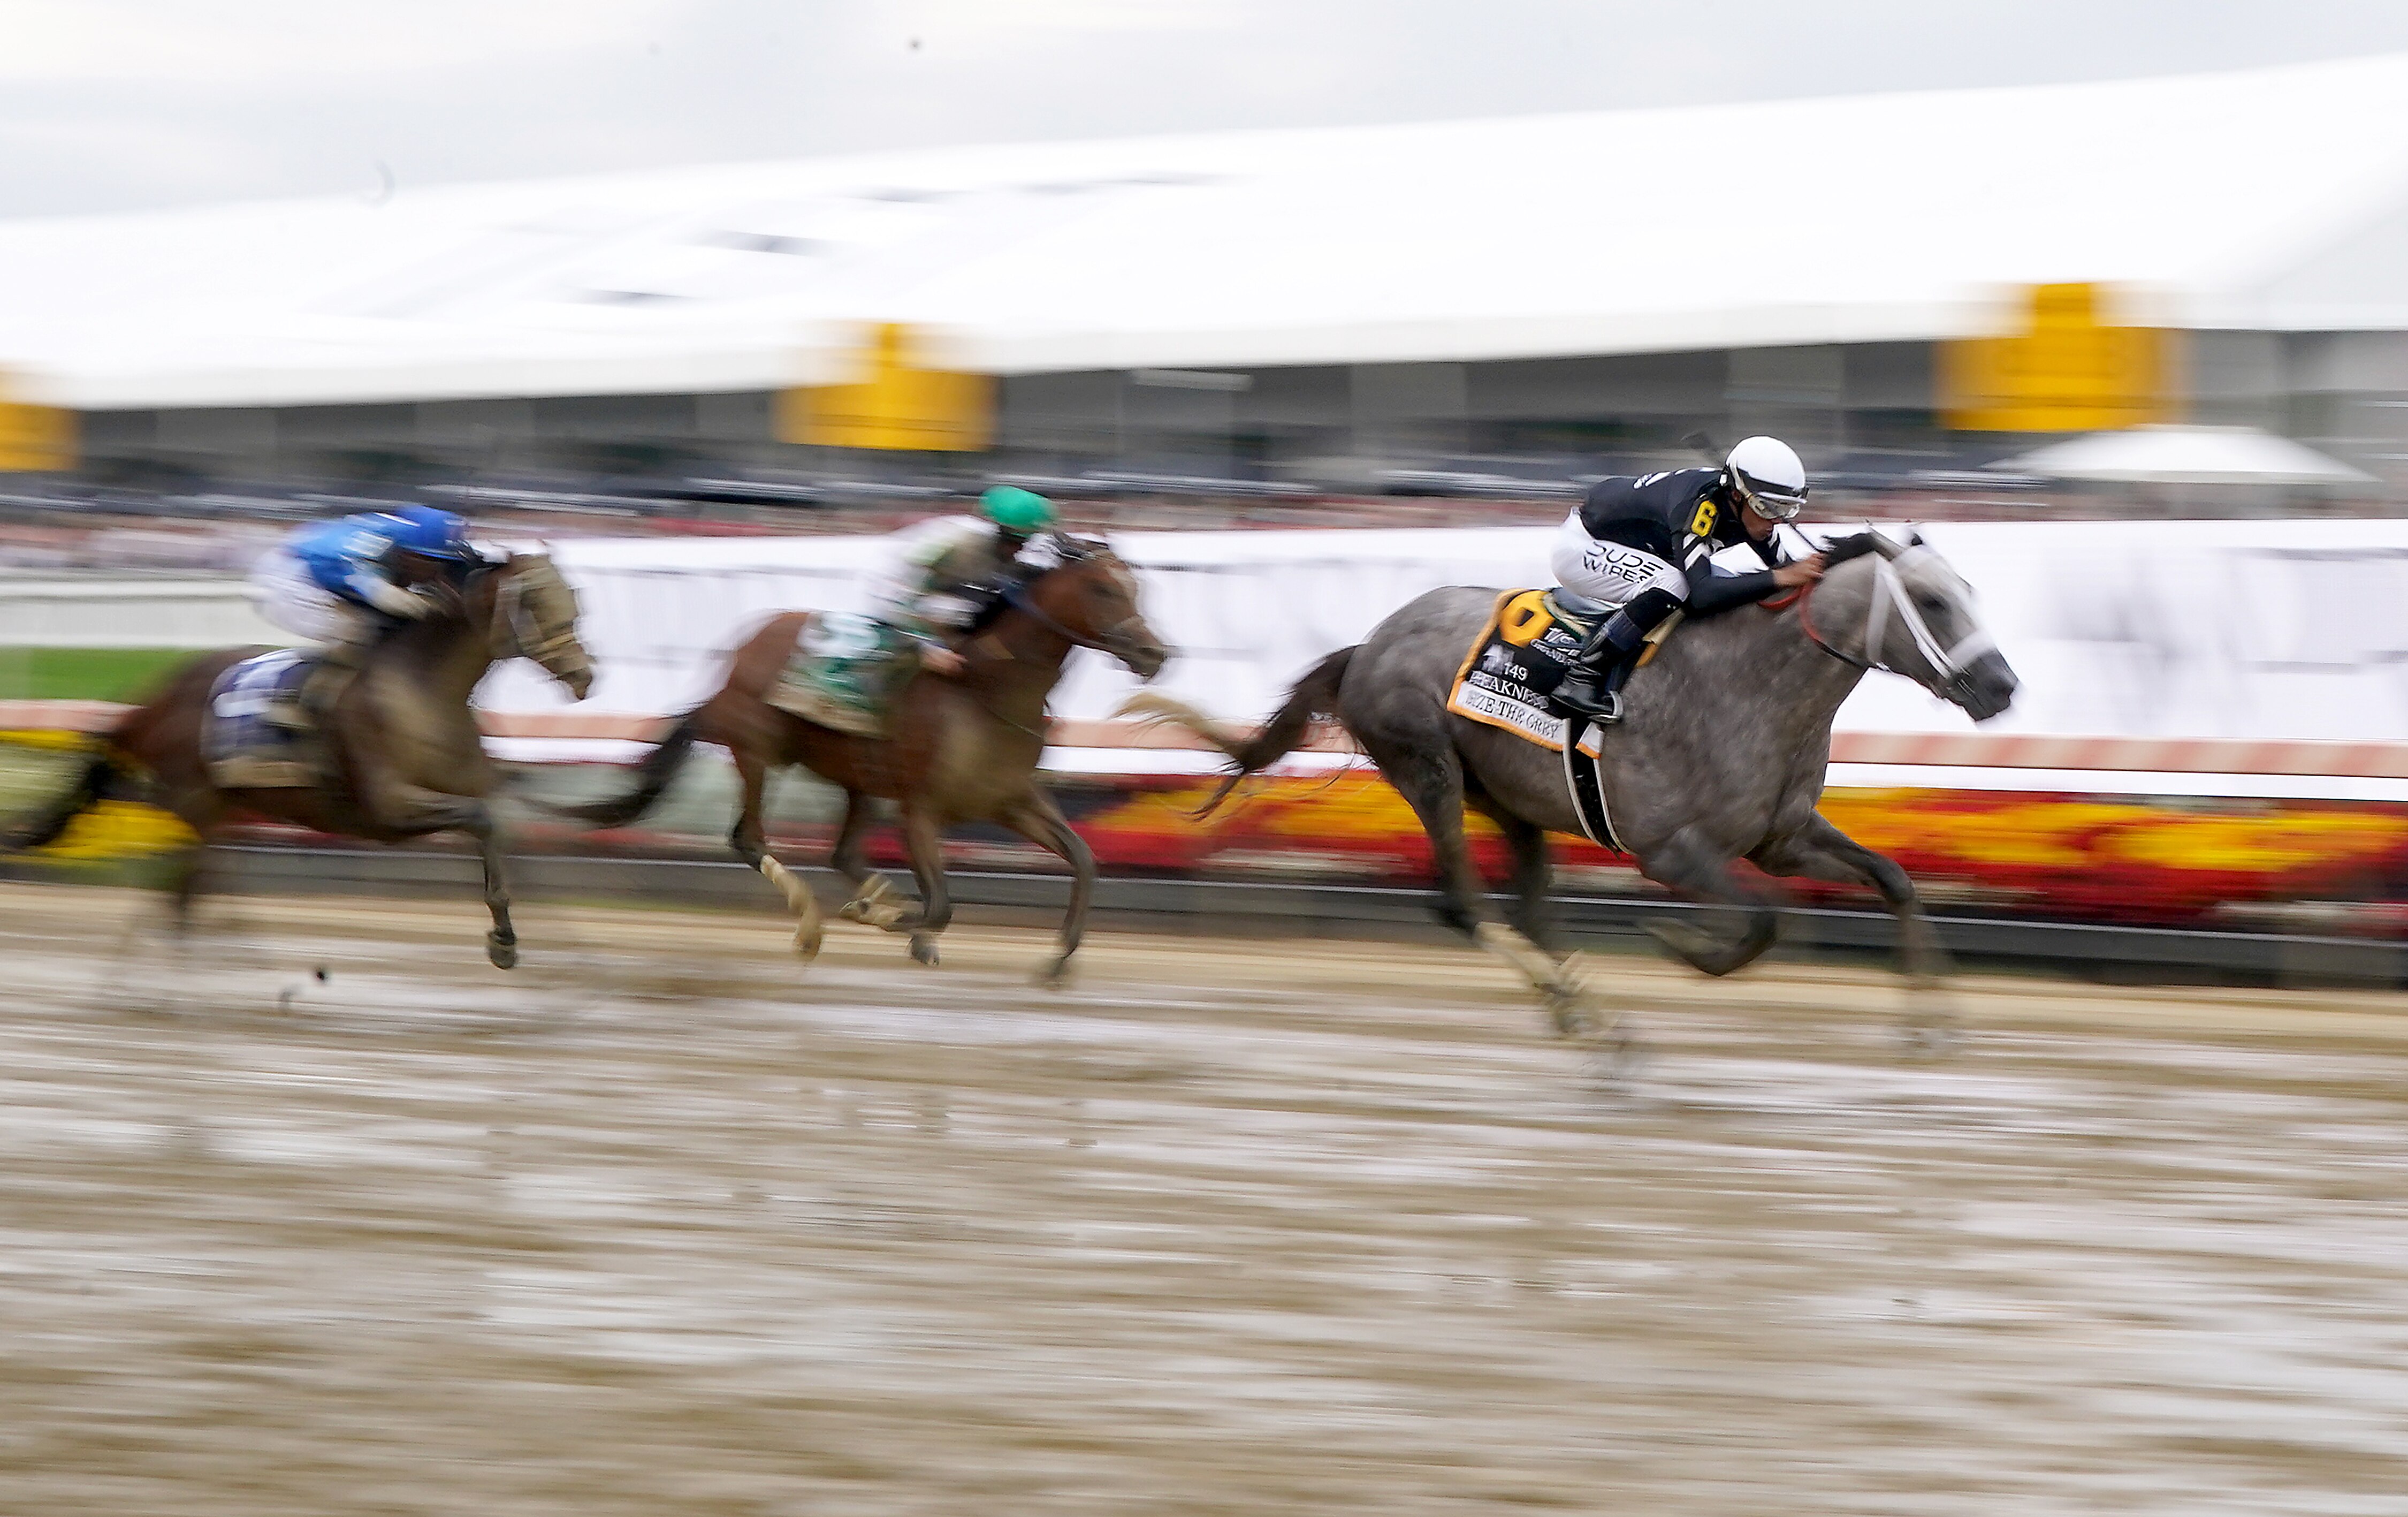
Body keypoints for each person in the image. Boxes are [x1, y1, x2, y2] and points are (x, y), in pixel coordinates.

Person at [1549, 436, 1828, 722]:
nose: (1776, 521)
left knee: (1733, 581)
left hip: (1631, 544)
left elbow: (1790, 570)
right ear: (1736, 495)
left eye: (1786, 510)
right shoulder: (1700, 507)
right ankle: (1581, 678)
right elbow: (1702, 594)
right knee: (1676, 584)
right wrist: (1782, 576)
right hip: (1582, 545)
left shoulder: (1747, 507)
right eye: (1767, 509)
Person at [248, 504, 476, 729]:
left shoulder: (410, 544)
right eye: (433, 562)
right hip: (291, 578)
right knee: (355, 629)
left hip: (331, 571)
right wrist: (423, 604)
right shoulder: (367, 550)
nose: (439, 571)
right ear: (408, 555)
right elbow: (382, 595)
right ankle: (291, 699)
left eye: (446, 563)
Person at [865, 484, 1061, 677]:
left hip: (938, 600)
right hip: (889, 606)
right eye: (1012, 541)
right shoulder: (950, 539)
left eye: (1024, 542)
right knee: (953, 610)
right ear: (995, 529)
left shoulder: (1011, 555)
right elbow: (890, 589)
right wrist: (925, 648)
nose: (1018, 550)